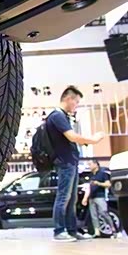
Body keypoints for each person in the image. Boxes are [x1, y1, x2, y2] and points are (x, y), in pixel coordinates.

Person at [46, 86, 105, 242]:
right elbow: (72, 137)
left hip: (70, 162)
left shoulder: (62, 116)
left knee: (71, 199)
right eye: (76, 102)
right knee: (63, 197)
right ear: (68, 99)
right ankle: (59, 231)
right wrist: (93, 140)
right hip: (65, 162)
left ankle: (72, 231)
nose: (76, 105)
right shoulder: (57, 116)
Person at [81, 160, 117, 237]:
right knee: (94, 215)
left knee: (103, 212)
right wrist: (85, 198)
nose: (89, 166)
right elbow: (89, 187)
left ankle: (113, 229)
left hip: (100, 196)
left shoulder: (103, 174)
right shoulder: (91, 175)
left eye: (90, 164)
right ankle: (97, 232)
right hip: (91, 197)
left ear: (96, 164)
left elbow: (108, 184)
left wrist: (98, 183)